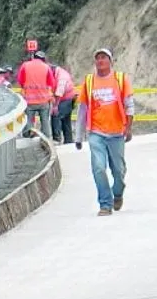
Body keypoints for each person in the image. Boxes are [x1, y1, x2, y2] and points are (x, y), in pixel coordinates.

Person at [75, 48, 134, 216]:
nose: (100, 61)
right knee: (99, 167)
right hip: (96, 133)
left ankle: (118, 193)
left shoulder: (120, 79)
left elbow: (129, 105)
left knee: (119, 171)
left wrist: (128, 128)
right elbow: (82, 110)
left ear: (110, 61)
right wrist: (78, 136)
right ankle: (105, 204)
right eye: (97, 58)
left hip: (117, 133)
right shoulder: (89, 81)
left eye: (103, 58)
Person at [16, 51, 57, 138]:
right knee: (45, 122)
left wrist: (26, 88)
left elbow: (20, 80)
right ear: (43, 59)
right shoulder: (46, 67)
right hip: (43, 101)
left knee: (28, 122)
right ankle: (46, 139)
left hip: (29, 101)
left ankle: (27, 137)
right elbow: (52, 83)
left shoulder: (25, 65)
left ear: (33, 57)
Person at [51, 62, 77, 144]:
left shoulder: (62, 76)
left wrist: (55, 106)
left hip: (66, 99)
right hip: (67, 98)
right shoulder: (57, 73)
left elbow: (59, 91)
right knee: (66, 120)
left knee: (56, 115)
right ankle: (68, 140)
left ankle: (56, 139)